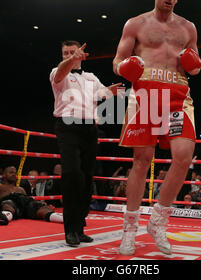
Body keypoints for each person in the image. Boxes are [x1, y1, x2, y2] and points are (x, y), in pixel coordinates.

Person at [113, 0, 201, 255]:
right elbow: (117, 62)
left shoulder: (188, 27)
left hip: (178, 95)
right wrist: (124, 68)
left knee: (184, 156)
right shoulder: (136, 23)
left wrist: (193, 64)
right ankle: (129, 230)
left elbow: (196, 67)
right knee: (142, 160)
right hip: (146, 93)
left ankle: (158, 221)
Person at [50, 40, 124, 247]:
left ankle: (79, 227)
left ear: (82, 55)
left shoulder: (91, 78)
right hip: (68, 127)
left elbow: (102, 94)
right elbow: (60, 73)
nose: (68, 55)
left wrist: (113, 91)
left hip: (90, 129)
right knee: (72, 175)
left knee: (86, 178)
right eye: (65, 52)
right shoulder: (58, 72)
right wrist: (70, 60)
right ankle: (70, 229)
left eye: (72, 52)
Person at [0, 142, 63, 226]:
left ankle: (63, 219)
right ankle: (2, 217)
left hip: (25, 206)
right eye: (11, 172)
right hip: (10, 205)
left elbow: (28, 203)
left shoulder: (20, 189)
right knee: (8, 203)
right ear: (4, 175)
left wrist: (42, 204)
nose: (14, 174)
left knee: (40, 207)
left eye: (15, 172)